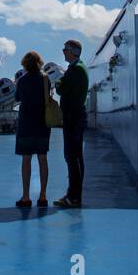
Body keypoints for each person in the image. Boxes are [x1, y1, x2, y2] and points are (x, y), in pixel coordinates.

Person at [13, 51, 51, 208]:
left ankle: (26, 197)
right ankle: (43, 196)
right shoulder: (45, 79)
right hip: (42, 123)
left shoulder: (22, 80)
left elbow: (17, 98)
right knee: (42, 159)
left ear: (25, 65)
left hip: (26, 124)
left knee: (26, 159)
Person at [54, 40, 88, 208]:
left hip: (73, 117)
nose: (63, 52)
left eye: (65, 49)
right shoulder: (77, 68)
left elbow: (60, 89)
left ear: (73, 52)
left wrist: (57, 81)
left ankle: (74, 197)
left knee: (71, 156)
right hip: (76, 116)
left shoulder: (76, 70)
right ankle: (74, 195)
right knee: (76, 156)